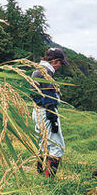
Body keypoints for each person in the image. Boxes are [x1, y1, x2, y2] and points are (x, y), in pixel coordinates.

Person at [31, 47, 67, 177]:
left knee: (43, 144)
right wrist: (53, 118)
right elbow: (48, 99)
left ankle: (41, 176)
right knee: (56, 146)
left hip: (37, 111)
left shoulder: (37, 71)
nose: (60, 66)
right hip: (47, 111)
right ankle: (48, 179)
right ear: (55, 61)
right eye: (60, 63)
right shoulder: (45, 72)